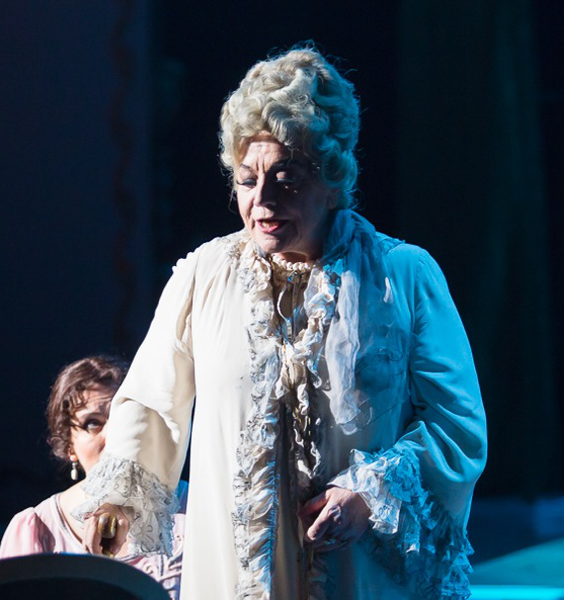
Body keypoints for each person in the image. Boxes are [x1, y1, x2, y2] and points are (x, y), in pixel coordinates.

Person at [74, 47, 487, 600]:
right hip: (235, 572)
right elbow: (153, 400)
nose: (262, 200)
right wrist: (117, 497)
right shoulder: (205, 275)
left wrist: (370, 495)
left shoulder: (402, 276)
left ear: (333, 179)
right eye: (248, 180)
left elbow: (455, 424)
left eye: (286, 178)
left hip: (358, 572)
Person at [0, 355, 185, 599]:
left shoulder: (193, 506)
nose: (112, 435)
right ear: (69, 446)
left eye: (124, 419)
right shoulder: (39, 527)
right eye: (92, 423)